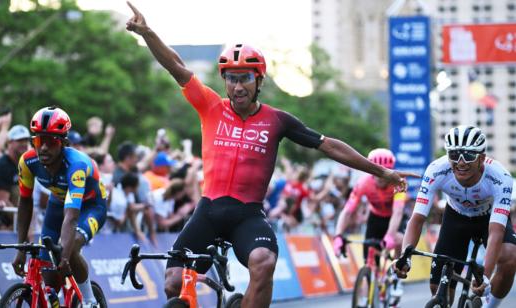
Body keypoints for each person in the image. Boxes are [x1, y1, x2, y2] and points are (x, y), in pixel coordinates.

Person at [125, 3, 416, 306]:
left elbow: (329, 145)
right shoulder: (211, 107)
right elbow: (176, 66)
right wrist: (148, 33)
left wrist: (380, 171)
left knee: (263, 262)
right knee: (173, 282)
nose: (237, 87)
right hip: (208, 211)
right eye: (231, 78)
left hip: (247, 215)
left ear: (259, 80)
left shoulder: (277, 120)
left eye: (245, 79)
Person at [394, 126, 516, 308]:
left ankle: (490, 306)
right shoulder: (436, 170)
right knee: (437, 287)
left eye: (468, 156)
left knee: (509, 258)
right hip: (456, 218)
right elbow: (417, 218)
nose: (460, 162)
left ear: (481, 158)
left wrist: (484, 277)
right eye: (454, 155)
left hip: (488, 219)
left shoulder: (500, 177)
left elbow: (496, 232)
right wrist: (405, 256)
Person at [12, 107, 107, 308]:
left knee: (70, 250)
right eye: (39, 141)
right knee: (49, 277)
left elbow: (72, 216)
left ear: (63, 143)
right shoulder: (27, 162)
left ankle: (89, 300)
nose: (44, 148)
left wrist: (64, 256)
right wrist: (21, 248)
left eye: (51, 141)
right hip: (58, 203)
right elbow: (25, 203)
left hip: (90, 205)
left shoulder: (76, 165)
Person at [333, 148, 407, 296]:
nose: (380, 177)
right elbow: (348, 210)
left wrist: (390, 236)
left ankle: (397, 277)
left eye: (384, 171)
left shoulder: (399, 183)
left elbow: (398, 212)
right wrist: (338, 235)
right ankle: (368, 297)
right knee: (369, 264)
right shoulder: (363, 183)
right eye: (376, 171)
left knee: (399, 240)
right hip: (375, 219)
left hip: (394, 218)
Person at [0, 124, 31, 230]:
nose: (24, 144)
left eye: (26, 140)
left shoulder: (22, 165)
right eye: (20, 140)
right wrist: (23, 223)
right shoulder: (2, 166)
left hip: (14, 220)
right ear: (9, 143)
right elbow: (3, 201)